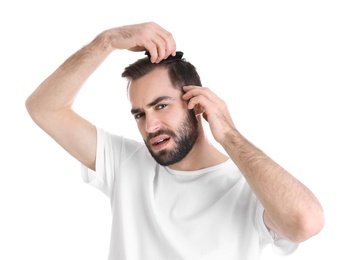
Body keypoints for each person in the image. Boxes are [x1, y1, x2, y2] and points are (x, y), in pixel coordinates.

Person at [25, 22, 324, 260]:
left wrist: (229, 134)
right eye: (139, 114)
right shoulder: (125, 163)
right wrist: (107, 41)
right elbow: (44, 108)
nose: (150, 125)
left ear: (196, 103)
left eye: (161, 105)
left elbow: (306, 222)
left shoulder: (248, 189)